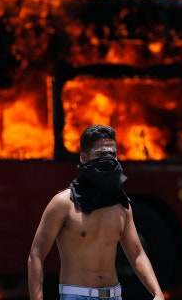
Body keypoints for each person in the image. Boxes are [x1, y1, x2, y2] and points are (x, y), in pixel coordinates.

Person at [28, 125, 164, 300]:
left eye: (112, 155)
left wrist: (157, 292)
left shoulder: (121, 206)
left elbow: (136, 253)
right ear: (84, 158)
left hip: (114, 295)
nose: (108, 160)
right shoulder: (63, 203)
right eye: (100, 154)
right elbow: (36, 255)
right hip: (77, 295)